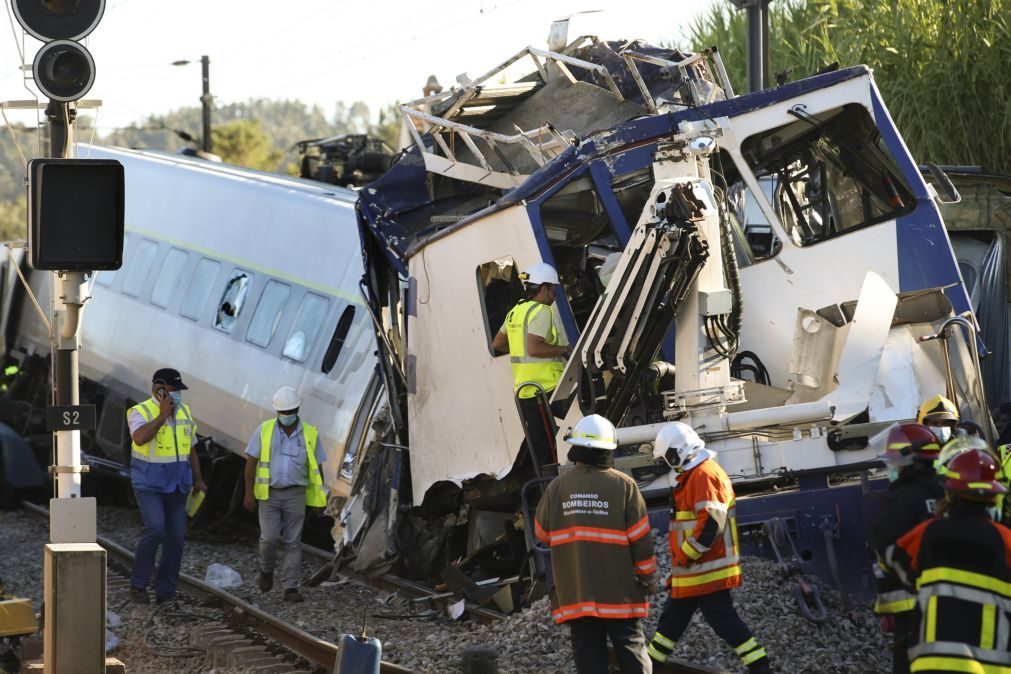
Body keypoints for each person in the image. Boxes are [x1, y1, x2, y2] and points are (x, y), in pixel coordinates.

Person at [534, 414, 657, 674]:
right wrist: (648, 580)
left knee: (588, 655)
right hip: (619, 592)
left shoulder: (557, 488)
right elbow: (641, 541)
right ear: (608, 451)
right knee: (631, 649)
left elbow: (542, 535)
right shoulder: (625, 486)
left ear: (576, 449)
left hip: (577, 592)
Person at [647, 422, 770, 673]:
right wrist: (680, 567)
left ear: (676, 452)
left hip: (705, 573)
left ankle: (761, 667)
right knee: (669, 626)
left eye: (666, 457)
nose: (666, 464)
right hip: (695, 574)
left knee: (725, 624)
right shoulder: (696, 475)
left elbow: (711, 523)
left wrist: (685, 557)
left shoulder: (704, 475)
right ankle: (647, 668)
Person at [886, 448, 1011, 672]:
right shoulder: (1005, 540)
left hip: (933, 663)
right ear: (993, 497)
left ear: (950, 492)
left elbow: (895, 564)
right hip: (991, 666)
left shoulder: (927, 533)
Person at [867, 423, 944, 674]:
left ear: (911, 461)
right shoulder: (944, 494)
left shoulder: (903, 498)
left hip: (910, 609)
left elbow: (886, 542)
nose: (890, 468)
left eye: (893, 461)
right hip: (946, 606)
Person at [127, 367, 206, 605]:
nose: (177, 395)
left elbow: (190, 448)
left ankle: (166, 592)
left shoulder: (185, 413)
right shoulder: (139, 411)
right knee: (156, 528)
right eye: (173, 390)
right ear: (159, 389)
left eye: (178, 391)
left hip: (178, 485)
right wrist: (162, 415)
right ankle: (138, 585)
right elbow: (139, 438)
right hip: (149, 484)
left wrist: (198, 478)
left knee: (176, 539)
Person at [243, 386, 327, 603]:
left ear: (297, 409)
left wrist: (320, 498)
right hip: (269, 494)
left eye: (291, 412)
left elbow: (317, 468)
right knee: (268, 539)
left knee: (293, 542)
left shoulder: (310, 433)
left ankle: (291, 587)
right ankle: (266, 570)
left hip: (295, 494)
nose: (288, 416)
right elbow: (250, 463)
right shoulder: (264, 430)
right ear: (277, 411)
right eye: (284, 412)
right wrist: (248, 494)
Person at [492, 262, 568, 472]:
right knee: (566, 440)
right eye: (553, 291)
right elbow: (534, 349)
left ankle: (548, 492)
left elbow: (497, 344)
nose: (555, 296)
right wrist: (563, 350)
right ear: (543, 289)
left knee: (542, 449)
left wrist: (519, 347)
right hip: (547, 390)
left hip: (525, 391)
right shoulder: (542, 311)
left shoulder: (515, 312)